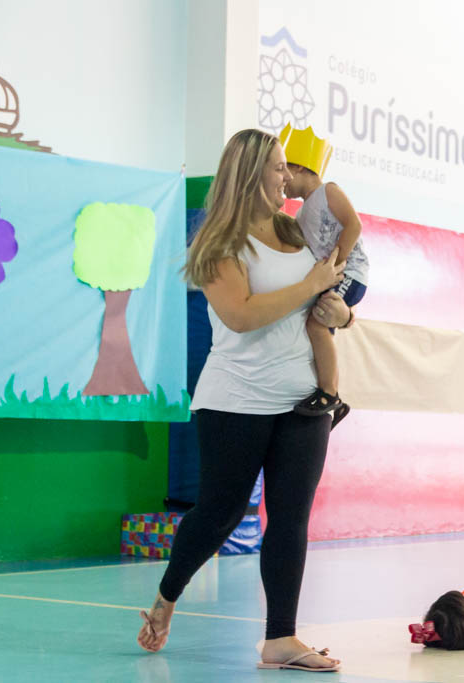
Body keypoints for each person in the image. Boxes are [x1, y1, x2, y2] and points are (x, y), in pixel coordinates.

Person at [136, 129, 351, 673]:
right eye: (278, 167)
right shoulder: (217, 244)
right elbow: (241, 315)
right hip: (234, 400)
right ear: (251, 174)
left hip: (304, 399)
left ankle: (281, 638)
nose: (286, 176)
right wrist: (309, 286)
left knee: (291, 518)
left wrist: (343, 314)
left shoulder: (299, 231)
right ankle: (166, 596)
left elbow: (330, 294)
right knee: (220, 513)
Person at [280, 123, 369, 425]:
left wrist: (337, 264)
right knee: (318, 328)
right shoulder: (302, 212)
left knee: (317, 324)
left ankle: (330, 393)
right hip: (333, 276)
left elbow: (354, 224)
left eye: (284, 171)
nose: (283, 182)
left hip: (349, 273)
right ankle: (329, 392)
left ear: (299, 167)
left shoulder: (328, 191)